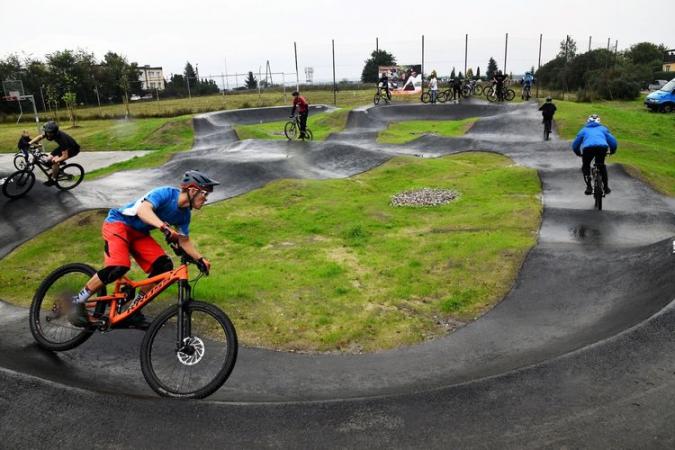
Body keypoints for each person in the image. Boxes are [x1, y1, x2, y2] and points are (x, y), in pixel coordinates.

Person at [66, 170, 218, 327]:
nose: (205, 199)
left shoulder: (185, 215)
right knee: (118, 267)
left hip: (139, 234)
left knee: (164, 267)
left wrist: (200, 259)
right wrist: (164, 227)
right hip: (119, 223)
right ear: (192, 190)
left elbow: (184, 241)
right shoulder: (165, 193)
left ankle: (133, 310)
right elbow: (143, 210)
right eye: (205, 194)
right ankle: (77, 302)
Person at [571, 114, 618, 195]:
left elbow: (576, 143)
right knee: (601, 165)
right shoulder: (603, 129)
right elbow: (612, 141)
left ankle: (589, 186)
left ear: (588, 121)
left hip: (588, 149)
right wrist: (613, 150)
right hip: (602, 148)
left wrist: (577, 152)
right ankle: (606, 187)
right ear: (599, 121)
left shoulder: (584, 130)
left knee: (586, 165)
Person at [28, 121, 80, 186]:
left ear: (54, 132)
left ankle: (53, 179)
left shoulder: (62, 140)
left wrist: (57, 160)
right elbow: (40, 137)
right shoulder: (50, 133)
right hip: (63, 147)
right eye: (46, 132)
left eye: (48, 132)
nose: (47, 134)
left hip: (72, 149)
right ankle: (56, 170)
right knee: (48, 159)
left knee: (55, 161)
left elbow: (65, 156)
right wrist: (29, 143)